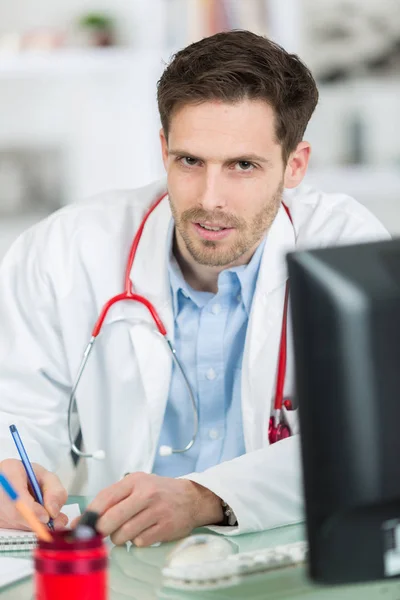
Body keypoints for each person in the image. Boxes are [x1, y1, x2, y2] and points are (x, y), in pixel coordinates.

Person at [0, 30, 389, 546]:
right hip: (125, 560)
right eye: (190, 161)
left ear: (294, 164)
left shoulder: (344, 249)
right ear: (163, 150)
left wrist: (205, 496)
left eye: (243, 166)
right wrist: (12, 472)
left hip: (285, 556)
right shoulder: (62, 250)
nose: (210, 198)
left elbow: (371, 439)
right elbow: (19, 412)